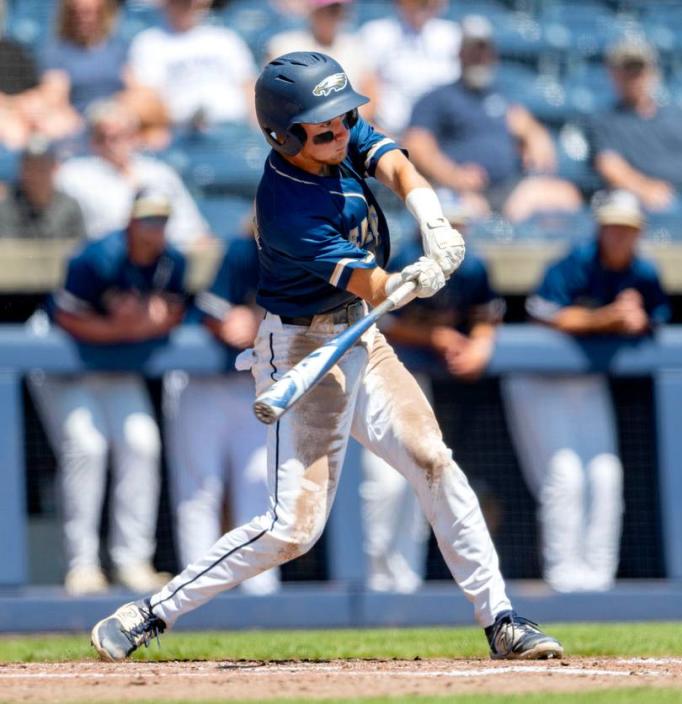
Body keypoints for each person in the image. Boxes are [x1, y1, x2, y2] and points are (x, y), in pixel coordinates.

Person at [91, 51, 563, 662]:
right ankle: (150, 612)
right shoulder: (287, 208)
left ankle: (500, 617)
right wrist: (415, 280)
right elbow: (374, 287)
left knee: (432, 459)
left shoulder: (332, 130)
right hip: (303, 348)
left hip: (358, 335)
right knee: (294, 528)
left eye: (342, 119)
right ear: (284, 135)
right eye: (323, 128)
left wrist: (431, 215)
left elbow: (391, 160)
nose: (340, 131)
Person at [501, 190, 670, 592]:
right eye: (612, 226)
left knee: (607, 475)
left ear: (638, 232)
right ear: (599, 228)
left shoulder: (643, 274)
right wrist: (607, 317)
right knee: (565, 476)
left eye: (626, 228)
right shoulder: (574, 262)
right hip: (539, 378)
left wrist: (636, 318)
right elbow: (544, 315)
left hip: (586, 379)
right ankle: (564, 579)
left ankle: (598, 580)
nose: (618, 235)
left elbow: (657, 318)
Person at [29, 189, 185, 596]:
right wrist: (127, 330)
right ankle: (81, 565)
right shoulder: (96, 257)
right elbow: (67, 318)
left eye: (161, 221)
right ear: (130, 221)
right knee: (87, 445)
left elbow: (175, 312)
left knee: (142, 443)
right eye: (147, 220)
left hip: (115, 360)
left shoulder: (172, 261)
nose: (154, 229)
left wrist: (139, 327)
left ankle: (133, 560)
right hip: (65, 358)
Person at [361, 193, 505, 593]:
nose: (453, 234)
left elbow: (485, 317)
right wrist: (435, 335)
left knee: (420, 478)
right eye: (446, 225)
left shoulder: (472, 267)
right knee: (384, 484)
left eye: (458, 226)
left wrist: (481, 343)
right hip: (376, 371)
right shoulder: (401, 257)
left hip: (420, 381)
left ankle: (405, 583)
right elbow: (378, 318)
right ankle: (372, 579)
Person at [164, 231, 280, 596]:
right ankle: (194, 598)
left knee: (258, 483)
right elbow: (215, 315)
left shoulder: (313, 250)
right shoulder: (244, 250)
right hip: (203, 382)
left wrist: (260, 324)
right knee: (201, 489)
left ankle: (261, 594)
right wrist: (235, 320)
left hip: (253, 384)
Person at [404, 15, 582, 223]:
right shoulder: (437, 98)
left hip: (511, 190)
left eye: (484, 50)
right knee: (458, 211)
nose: (479, 57)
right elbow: (416, 145)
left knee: (566, 195)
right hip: (459, 191)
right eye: (473, 51)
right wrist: (453, 175)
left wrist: (537, 139)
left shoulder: (501, 97)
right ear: (460, 54)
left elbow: (528, 127)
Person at [588, 38, 682, 235]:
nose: (634, 77)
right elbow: (609, 164)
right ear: (614, 74)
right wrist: (644, 189)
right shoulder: (605, 120)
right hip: (656, 203)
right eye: (627, 70)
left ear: (652, 72)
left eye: (639, 69)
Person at [55, 99, 210, 250]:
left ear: (135, 136)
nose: (111, 144)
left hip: (163, 262)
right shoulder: (73, 175)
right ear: (92, 141)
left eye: (120, 136)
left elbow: (193, 230)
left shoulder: (160, 173)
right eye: (103, 137)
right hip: (104, 264)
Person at [126, 0, 258, 133]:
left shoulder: (225, 38)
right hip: (182, 133)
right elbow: (146, 97)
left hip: (234, 129)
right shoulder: (149, 43)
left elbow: (249, 87)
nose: (186, 6)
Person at [42, 0, 165, 134]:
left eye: (89, 13)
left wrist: (119, 105)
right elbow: (55, 95)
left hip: (117, 111)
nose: (83, 19)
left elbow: (135, 87)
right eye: (76, 13)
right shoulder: (58, 52)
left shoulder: (117, 48)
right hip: (81, 118)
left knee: (152, 111)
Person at [360, 0, 461, 136]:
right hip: (391, 133)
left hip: (442, 135)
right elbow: (366, 87)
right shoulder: (377, 33)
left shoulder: (452, 34)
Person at [265, 0, 377, 122]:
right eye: (326, 10)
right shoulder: (284, 45)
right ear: (312, 12)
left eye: (335, 10)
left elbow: (371, 97)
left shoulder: (356, 46)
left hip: (351, 125)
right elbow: (273, 96)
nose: (330, 15)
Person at [0, 137, 87, 240]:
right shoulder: (7, 207)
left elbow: (79, 249)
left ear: (54, 167)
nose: (36, 174)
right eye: (31, 167)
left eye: (42, 167)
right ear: (22, 169)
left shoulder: (69, 206)